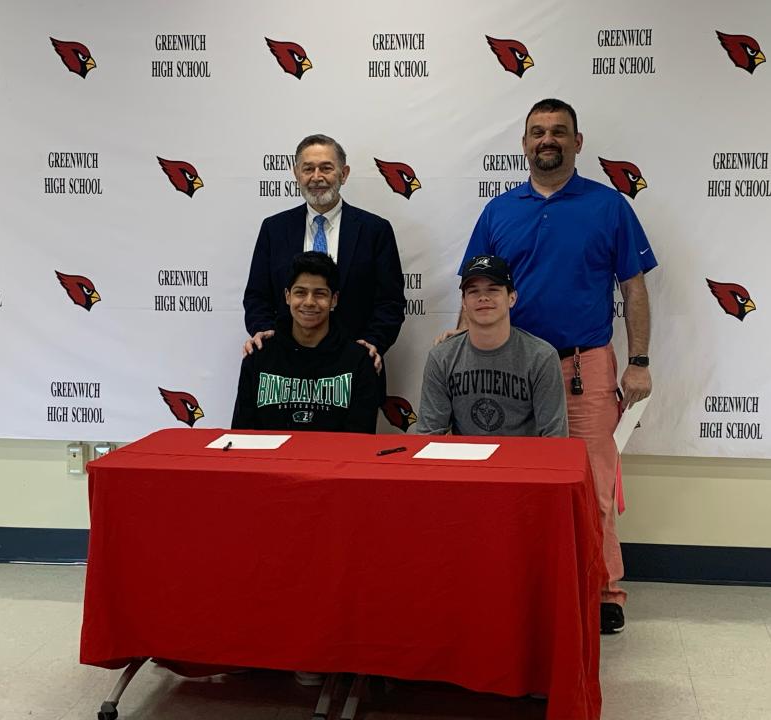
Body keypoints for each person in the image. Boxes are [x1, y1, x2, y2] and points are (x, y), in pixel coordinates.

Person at [449, 98, 657, 635]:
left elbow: (633, 288)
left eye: (559, 132)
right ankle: (524, 583)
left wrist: (638, 361)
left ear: (577, 143)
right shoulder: (498, 211)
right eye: (538, 131)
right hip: (507, 370)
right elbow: (477, 287)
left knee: (593, 481)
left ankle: (605, 590)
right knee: (514, 483)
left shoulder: (609, 207)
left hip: (581, 369)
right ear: (523, 144)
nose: (548, 140)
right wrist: (458, 342)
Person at [242, 134, 405, 375]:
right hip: (285, 366)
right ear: (297, 174)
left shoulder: (375, 231)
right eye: (308, 169)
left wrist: (373, 343)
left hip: (354, 366)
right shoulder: (274, 229)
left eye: (326, 168)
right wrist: (266, 334)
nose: (316, 177)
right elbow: (257, 296)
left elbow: (390, 302)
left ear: (344, 173)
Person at [418, 255, 568, 438]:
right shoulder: (442, 357)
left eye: (493, 289)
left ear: (512, 298)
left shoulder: (542, 357)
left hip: (525, 463)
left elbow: (555, 440)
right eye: (473, 291)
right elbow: (429, 436)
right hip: (465, 464)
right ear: (464, 302)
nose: (483, 297)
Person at [232, 251, 379, 433]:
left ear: (334, 299)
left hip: (335, 461)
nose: (309, 302)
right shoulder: (258, 356)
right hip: (269, 461)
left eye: (320, 294)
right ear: (287, 296)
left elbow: (360, 442)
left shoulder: (359, 361)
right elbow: (241, 434)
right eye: (300, 292)